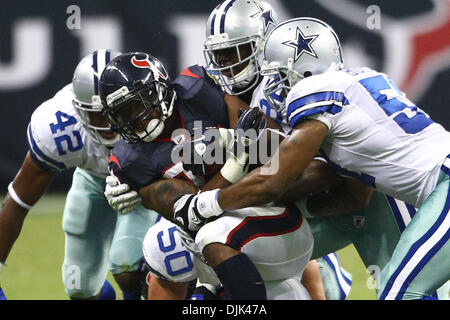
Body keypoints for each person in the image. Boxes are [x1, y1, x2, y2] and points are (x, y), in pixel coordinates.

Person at [174, 17, 450, 300]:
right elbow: (357, 192)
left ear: (303, 70)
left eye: (279, 75)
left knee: (400, 293)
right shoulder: (360, 79)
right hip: (433, 183)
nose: (275, 86)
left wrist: (208, 202)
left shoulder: (313, 91)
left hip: (442, 185)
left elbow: (275, 180)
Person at [203, 0, 352, 300]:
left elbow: (320, 166)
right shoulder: (221, 96)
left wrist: (262, 188)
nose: (225, 63)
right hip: (294, 201)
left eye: (234, 51)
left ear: (264, 45)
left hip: (339, 192)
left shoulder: (288, 84)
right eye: (218, 54)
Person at [0, 50, 159, 300]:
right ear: (79, 110)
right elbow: (18, 201)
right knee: (80, 286)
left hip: (147, 183)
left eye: (115, 110)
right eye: (98, 114)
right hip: (93, 180)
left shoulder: (152, 111)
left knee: (128, 267)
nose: (108, 124)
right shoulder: (58, 128)